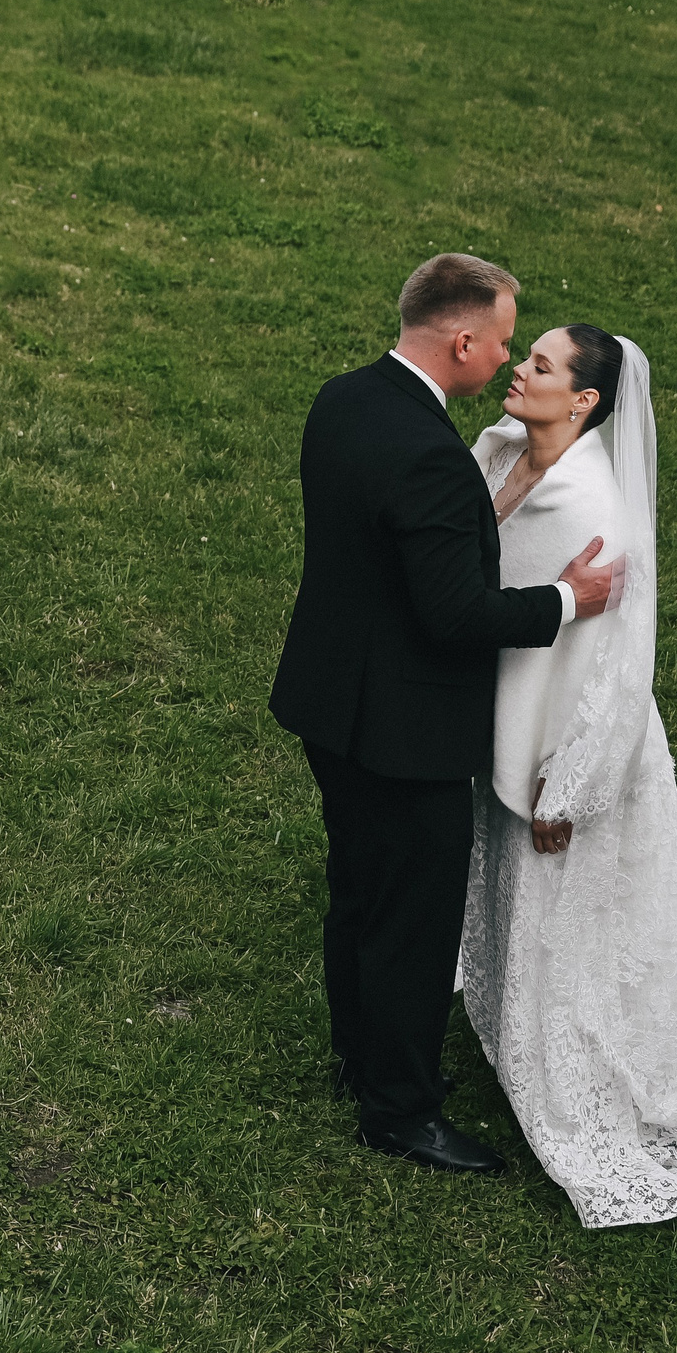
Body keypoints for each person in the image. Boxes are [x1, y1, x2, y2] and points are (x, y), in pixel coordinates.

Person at [269, 255, 620, 1173]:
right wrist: (565, 600)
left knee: (358, 889)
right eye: (504, 340)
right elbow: (457, 614)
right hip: (401, 731)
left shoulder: (344, 398)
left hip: (326, 697)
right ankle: (401, 1110)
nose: (507, 356)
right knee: (412, 920)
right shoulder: (428, 450)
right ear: (462, 341)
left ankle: (363, 1060)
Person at [458, 324, 677, 1227]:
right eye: (524, 355)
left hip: (565, 748)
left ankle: (591, 1071)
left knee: (576, 934)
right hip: (503, 720)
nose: (517, 370)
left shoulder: (597, 512)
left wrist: (565, 788)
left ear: (583, 400)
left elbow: (616, 674)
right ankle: (516, 1033)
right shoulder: (500, 449)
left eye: (539, 365)